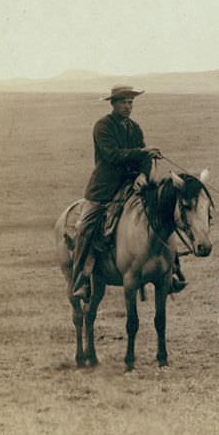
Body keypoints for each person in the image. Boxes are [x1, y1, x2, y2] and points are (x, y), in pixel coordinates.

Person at [71, 85, 176, 302]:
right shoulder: (102, 126)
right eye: (124, 102)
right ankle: (81, 279)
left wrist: (143, 175)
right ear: (114, 104)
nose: (129, 106)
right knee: (85, 227)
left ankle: (172, 270)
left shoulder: (134, 128)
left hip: (132, 185)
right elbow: (112, 156)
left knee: (161, 214)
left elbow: (144, 158)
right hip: (104, 189)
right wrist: (142, 153)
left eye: (131, 102)